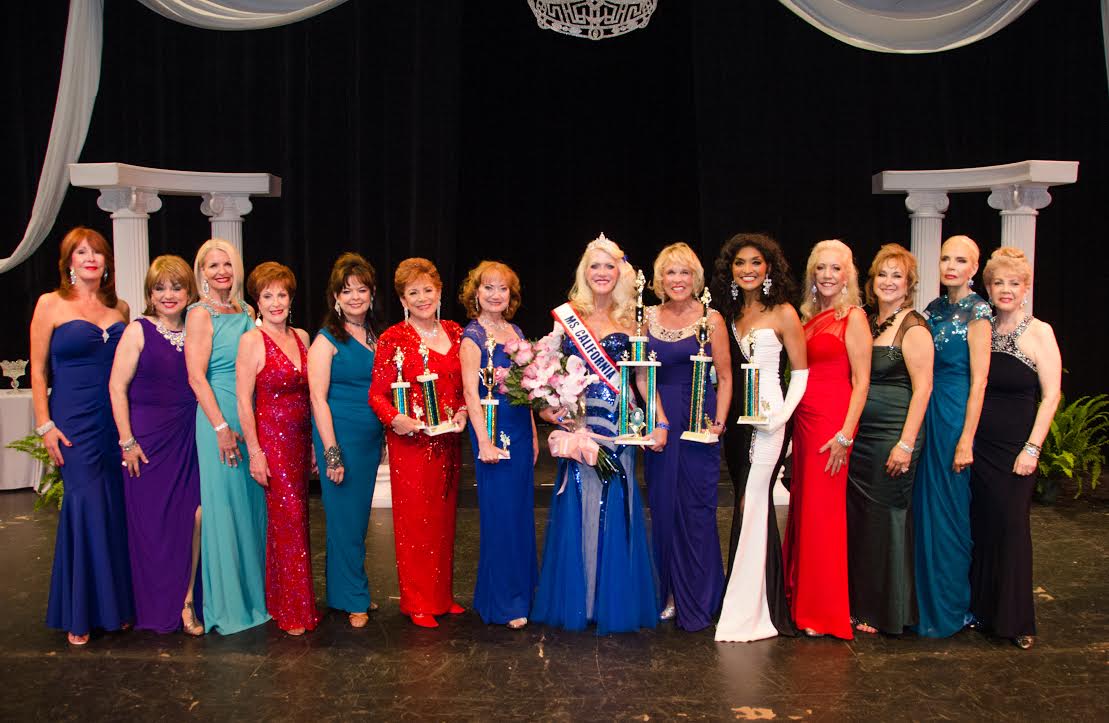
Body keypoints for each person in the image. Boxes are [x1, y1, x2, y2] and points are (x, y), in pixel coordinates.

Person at [530, 233, 660, 634]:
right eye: (594, 265)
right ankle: (582, 600)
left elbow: (642, 380)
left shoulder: (634, 319)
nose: (602, 272)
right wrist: (547, 408)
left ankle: (610, 600)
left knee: (616, 504)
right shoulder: (569, 318)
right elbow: (540, 373)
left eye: (609, 265)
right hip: (581, 425)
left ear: (621, 271)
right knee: (582, 504)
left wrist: (659, 421)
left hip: (620, 425)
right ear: (584, 273)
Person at [31, 227, 133, 645]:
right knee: (85, 504)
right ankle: (81, 611)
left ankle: (117, 606)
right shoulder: (50, 304)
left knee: (114, 507)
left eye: (97, 252)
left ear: (107, 261)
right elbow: (38, 371)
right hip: (72, 422)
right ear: (69, 261)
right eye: (82, 252)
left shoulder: (120, 307)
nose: (90, 258)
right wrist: (45, 425)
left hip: (115, 421)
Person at [712, 232, 807, 643]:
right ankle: (753, 598)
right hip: (737, 422)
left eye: (755, 262)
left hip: (769, 420)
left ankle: (751, 609)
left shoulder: (784, 312)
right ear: (730, 270)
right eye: (740, 263)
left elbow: (801, 373)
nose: (747, 269)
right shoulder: (727, 316)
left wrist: (781, 417)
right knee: (748, 502)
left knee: (755, 500)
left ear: (769, 267)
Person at [368, 258, 468, 628]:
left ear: (439, 292)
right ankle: (417, 601)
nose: (423, 298)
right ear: (402, 299)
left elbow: (464, 388)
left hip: (449, 441)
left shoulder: (457, 333)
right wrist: (397, 420)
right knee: (415, 523)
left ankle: (441, 596)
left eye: (428, 290)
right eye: (414, 292)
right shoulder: (393, 338)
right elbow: (377, 395)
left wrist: (462, 413)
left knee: (443, 520)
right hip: (411, 444)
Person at [970, 248, 1061, 650]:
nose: (1006, 290)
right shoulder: (983, 327)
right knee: (982, 527)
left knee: (1011, 529)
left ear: (1026, 289)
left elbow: (1053, 395)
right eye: (998, 283)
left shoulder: (1039, 331)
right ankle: (983, 610)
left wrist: (1032, 448)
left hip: (1014, 449)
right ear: (988, 288)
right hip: (978, 446)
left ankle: (1015, 619)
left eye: (1014, 283)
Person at [108, 255, 203, 636]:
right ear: (150, 293)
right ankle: (156, 604)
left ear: (189, 292)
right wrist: (126, 440)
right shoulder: (138, 330)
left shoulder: (197, 329)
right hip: (147, 441)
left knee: (194, 517)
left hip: (189, 437)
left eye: (176, 287)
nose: (169, 295)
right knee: (153, 527)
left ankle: (187, 601)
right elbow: (117, 387)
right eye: (160, 288)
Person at [783, 239, 871, 640]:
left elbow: (862, 381)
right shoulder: (806, 317)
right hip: (803, 421)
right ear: (812, 274)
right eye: (821, 268)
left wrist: (846, 435)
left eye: (836, 268)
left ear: (848, 274)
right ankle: (800, 599)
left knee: (824, 514)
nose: (828, 275)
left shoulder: (852, 317)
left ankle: (822, 610)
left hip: (831, 425)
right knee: (804, 508)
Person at [641, 242, 730, 632]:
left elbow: (726, 377)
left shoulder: (712, 320)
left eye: (685, 272)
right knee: (663, 508)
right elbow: (642, 375)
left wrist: (719, 423)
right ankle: (668, 592)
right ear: (660, 279)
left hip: (699, 422)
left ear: (696, 278)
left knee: (696, 510)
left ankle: (700, 594)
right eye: (670, 273)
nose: (678, 280)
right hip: (661, 419)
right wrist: (656, 419)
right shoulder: (645, 317)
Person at [847, 244, 933, 635]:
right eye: (882, 274)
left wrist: (906, 443)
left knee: (886, 519)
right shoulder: (866, 320)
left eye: (897, 276)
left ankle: (886, 611)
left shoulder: (913, 326)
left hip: (893, 436)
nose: (888, 282)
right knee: (862, 521)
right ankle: (858, 601)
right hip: (860, 437)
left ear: (909, 284)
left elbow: (924, 389)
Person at [185, 239, 269, 635]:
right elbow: (196, 376)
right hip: (217, 416)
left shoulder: (247, 311)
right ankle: (229, 606)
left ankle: (256, 598)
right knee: (223, 510)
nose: (221, 272)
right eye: (213, 265)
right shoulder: (199, 315)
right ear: (201, 271)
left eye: (227, 265)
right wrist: (220, 427)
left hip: (248, 413)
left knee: (251, 510)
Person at [913, 235, 992, 638]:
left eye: (960, 260)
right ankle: (923, 602)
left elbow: (980, 382)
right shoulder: (935, 308)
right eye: (945, 258)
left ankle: (951, 607)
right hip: (928, 409)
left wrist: (967, 439)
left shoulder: (979, 312)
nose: (951, 266)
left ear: (974, 268)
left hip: (956, 412)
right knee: (924, 509)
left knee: (951, 513)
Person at [237, 262, 320, 636]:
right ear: (257, 301)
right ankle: (292, 609)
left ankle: (286, 599)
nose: (275, 302)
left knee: (297, 520)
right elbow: (243, 401)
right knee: (287, 523)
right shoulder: (251, 340)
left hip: (302, 439)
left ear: (291, 298)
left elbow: (314, 394)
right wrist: (255, 451)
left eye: (281, 295)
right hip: (273, 441)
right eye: (267, 296)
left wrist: (318, 445)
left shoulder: (302, 337)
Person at [458, 261, 538, 629]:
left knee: (520, 514)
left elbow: (529, 388)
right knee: (500, 516)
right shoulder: (471, 337)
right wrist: (484, 441)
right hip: (493, 430)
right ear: (475, 293)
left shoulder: (515, 331)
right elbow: (470, 394)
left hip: (520, 428)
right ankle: (504, 603)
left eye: (502, 288)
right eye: (487, 287)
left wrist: (535, 435)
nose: (495, 294)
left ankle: (520, 592)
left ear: (511, 295)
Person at [308, 253, 384, 628]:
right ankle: (353, 597)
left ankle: (347, 591)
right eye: (347, 290)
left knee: (354, 522)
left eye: (362, 289)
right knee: (343, 522)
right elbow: (317, 399)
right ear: (335, 296)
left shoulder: (374, 335)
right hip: (340, 441)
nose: (355, 296)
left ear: (371, 294)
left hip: (369, 442)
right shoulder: (325, 341)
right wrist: (331, 453)